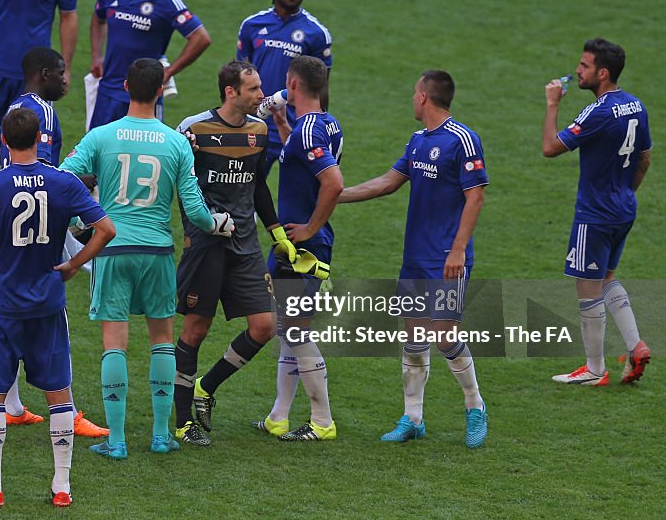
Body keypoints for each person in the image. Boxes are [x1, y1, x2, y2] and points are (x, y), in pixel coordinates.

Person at [60, 58, 234, 459]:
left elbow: (65, 178)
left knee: (114, 344)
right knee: (161, 340)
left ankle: (117, 441)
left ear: (124, 86)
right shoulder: (176, 142)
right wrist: (219, 223)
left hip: (113, 249)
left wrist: (76, 220)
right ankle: (160, 435)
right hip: (156, 252)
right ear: (161, 91)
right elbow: (195, 211)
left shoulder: (101, 136)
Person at [0, 108, 115, 508]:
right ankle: (62, 487)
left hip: (4, 306)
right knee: (60, 395)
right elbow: (106, 230)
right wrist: (75, 265)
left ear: (4, 141)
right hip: (47, 303)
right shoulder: (63, 182)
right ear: (41, 138)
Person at [339, 70, 489, 448]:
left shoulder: (463, 140)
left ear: (424, 97)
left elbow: (476, 197)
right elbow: (387, 183)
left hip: (446, 259)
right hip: (415, 258)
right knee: (414, 338)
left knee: (443, 336)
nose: (411, 99)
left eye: (413, 94)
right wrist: (334, 196)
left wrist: (457, 250)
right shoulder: (418, 140)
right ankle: (412, 417)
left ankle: (475, 407)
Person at [172, 60, 296, 446]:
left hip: (245, 246)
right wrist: (201, 223)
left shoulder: (259, 132)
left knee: (263, 326)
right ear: (231, 92)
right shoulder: (193, 130)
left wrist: (276, 233)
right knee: (196, 330)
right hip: (206, 245)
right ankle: (181, 422)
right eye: (255, 89)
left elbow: (258, 186)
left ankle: (205, 389)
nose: (263, 95)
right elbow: (179, 181)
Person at [0, 46, 109, 438]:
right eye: (61, 73)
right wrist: (73, 200)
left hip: (10, 220)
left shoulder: (17, 108)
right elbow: (38, 170)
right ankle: (69, 412)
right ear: (43, 74)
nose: (66, 80)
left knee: (4, 311)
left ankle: (9, 405)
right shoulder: (39, 111)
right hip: (37, 222)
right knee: (51, 316)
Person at [542, 38, 652, 386]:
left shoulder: (598, 111)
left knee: (587, 289)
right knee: (606, 278)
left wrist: (551, 105)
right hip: (624, 208)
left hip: (595, 214)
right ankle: (635, 346)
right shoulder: (636, 105)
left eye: (584, 66)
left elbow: (550, 148)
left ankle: (594, 369)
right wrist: (623, 193)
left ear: (602, 73)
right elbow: (645, 158)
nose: (577, 70)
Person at [252, 55, 343, 442]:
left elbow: (333, 183)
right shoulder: (322, 125)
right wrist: (282, 124)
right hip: (295, 245)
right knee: (289, 330)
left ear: (291, 85)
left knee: (296, 328)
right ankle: (279, 415)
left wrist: (309, 227)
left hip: (303, 248)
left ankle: (322, 421)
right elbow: (303, 158)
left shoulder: (309, 131)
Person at [88, 0, 211, 129]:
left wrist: (169, 71)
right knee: (98, 154)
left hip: (144, 98)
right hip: (107, 91)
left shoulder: (164, 1)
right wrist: (97, 55)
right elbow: (98, 18)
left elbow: (201, 38)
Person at [238, 0, 333, 176]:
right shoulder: (252, 25)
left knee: (299, 188)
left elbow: (322, 87)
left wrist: (321, 124)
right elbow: (240, 77)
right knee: (246, 186)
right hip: (256, 122)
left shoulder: (316, 33)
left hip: (295, 126)